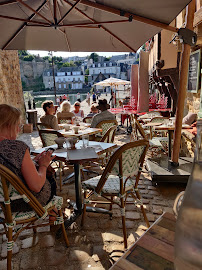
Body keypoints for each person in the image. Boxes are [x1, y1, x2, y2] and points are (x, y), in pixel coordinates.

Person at [0, 104, 56, 212]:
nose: (18, 130)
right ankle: (54, 216)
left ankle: (55, 213)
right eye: (18, 125)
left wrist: (32, 163)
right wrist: (43, 165)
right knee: (50, 174)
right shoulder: (17, 147)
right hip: (25, 203)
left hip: (2, 205)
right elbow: (36, 186)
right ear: (8, 125)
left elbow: (9, 168)